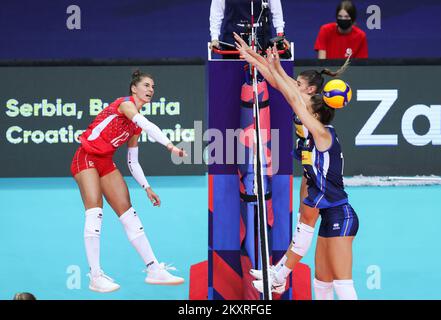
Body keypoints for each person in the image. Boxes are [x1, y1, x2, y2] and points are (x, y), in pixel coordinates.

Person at [235, 34, 359, 300]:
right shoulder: (311, 112)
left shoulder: (318, 126)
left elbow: (289, 93)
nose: (297, 88)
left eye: (302, 86)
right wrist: (255, 59)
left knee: (307, 220)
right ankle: (279, 273)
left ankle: (279, 275)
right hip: (313, 171)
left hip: (329, 195)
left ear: (313, 98)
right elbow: (282, 84)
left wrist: (272, 65)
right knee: (321, 279)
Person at [71, 70, 187, 293]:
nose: (150, 90)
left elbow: (132, 161)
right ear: (134, 88)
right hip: (85, 157)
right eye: (146, 85)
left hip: (105, 162)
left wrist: (147, 187)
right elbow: (147, 124)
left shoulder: (134, 127)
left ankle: (154, 269)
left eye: (153, 87)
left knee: (129, 214)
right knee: (95, 212)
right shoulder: (124, 105)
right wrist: (170, 146)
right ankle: (95, 276)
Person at [209, 0, 287, 58]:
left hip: (261, 36)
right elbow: (216, 13)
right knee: (231, 74)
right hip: (233, 37)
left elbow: (276, 11)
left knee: (264, 74)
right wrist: (214, 38)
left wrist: (280, 35)